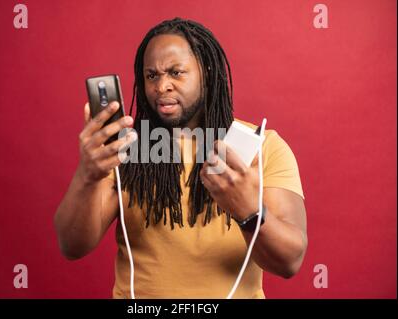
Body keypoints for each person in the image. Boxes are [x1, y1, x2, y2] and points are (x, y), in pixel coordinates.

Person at [54, 18, 307, 299]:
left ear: (207, 73)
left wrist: (248, 211)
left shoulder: (265, 147)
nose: (162, 86)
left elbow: (289, 261)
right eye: (152, 76)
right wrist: (87, 175)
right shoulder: (126, 149)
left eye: (176, 72)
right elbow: (72, 246)